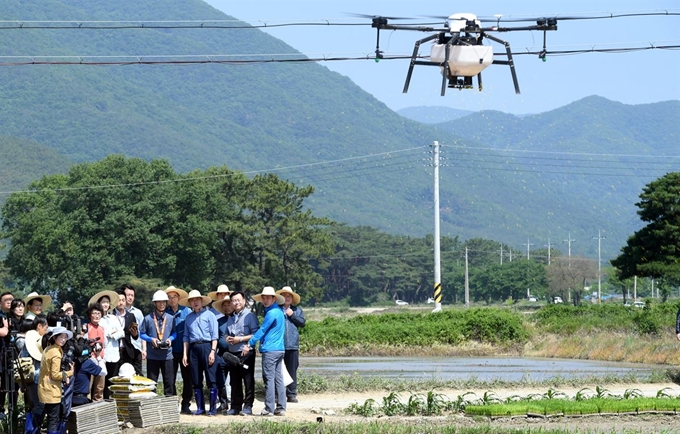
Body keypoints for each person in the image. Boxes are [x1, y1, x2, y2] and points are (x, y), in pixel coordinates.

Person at [242, 286, 286, 416]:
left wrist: (249, 344)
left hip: (270, 350)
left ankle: (269, 408)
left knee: (269, 378)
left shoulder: (271, 313)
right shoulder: (279, 311)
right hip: (279, 349)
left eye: (268, 298)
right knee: (279, 378)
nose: (265, 300)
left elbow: (262, 330)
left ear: (274, 298)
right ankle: (281, 407)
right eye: (264, 298)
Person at [181, 290, 218, 416]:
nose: (195, 302)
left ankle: (212, 408)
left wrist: (213, 351)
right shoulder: (188, 318)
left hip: (207, 346)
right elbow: (186, 336)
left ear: (201, 301)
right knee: (196, 379)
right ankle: (200, 408)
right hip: (193, 348)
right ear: (190, 303)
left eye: (197, 299)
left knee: (211, 378)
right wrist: (185, 354)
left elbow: (214, 335)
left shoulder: (210, 315)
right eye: (192, 300)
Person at [222, 290, 259, 416]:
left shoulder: (250, 316)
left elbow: (255, 334)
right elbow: (227, 332)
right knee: (234, 380)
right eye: (234, 301)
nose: (236, 302)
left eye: (238, 300)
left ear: (243, 301)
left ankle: (248, 406)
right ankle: (235, 406)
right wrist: (228, 338)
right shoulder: (231, 317)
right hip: (233, 353)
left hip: (246, 352)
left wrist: (241, 340)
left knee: (248, 380)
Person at [88, 290, 125, 400]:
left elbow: (122, 332)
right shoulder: (97, 319)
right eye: (103, 302)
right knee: (99, 383)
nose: (105, 304)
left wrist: (113, 335)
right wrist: (110, 332)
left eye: (107, 302)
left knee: (111, 381)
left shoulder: (113, 317)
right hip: (101, 355)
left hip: (113, 353)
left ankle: (109, 403)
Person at [38, 326, 75, 434]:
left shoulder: (49, 348)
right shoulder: (55, 353)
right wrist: (69, 373)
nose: (63, 340)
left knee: (48, 415)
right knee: (53, 419)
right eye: (61, 337)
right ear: (54, 338)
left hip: (45, 388)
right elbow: (54, 375)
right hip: (51, 390)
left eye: (65, 337)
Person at [140, 290, 176, 396]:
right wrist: (151, 339)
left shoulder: (170, 318)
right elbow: (141, 334)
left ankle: (168, 407)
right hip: (152, 356)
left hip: (167, 356)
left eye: (164, 302)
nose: (162, 304)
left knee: (169, 383)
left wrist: (170, 339)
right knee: (151, 383)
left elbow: (175, 333)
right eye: (159, 302)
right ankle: (151, 407)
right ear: (154, 303)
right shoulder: (147, 319)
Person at [164, 285, 193, 414]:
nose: (172, 300)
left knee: (188, 378)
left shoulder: (186, 311)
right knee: (170, 378)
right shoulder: (165, 313)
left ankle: (186, 404)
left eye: (174, 297)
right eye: (169, 297)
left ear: (179, 298)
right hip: (169, 351)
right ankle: (172, 404)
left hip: (185, 350)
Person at [276, 286, 306, 403]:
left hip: (293, 345)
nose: (286, 298)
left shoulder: (297, 310)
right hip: (278, 345)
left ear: (292, 298)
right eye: (284, 296)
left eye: (289, 296)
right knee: (278, 370)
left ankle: (291, 394)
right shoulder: (276, 310)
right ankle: (278, 394)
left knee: (292, 369)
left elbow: (302, 323)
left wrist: (292, 315)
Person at [113, 291, 139, 389]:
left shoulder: (131, 316)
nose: (121, 303)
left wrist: (134, 333)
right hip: (114, 350)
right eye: (119, 300)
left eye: (123, 300)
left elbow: (136, 336)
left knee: (128, 376)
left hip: (127, 350)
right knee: (114, 375)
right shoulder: (111, 316)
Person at [214, 295, 233, 413]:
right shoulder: (218, 321)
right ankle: (223, 403)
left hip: (234, 353)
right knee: (220, 380)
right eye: (224, 306)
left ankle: (236, 404)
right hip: (221, 353)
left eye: (228, 305)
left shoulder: (236, 319)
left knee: (235, 380)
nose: (226, 307)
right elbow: (215, 338)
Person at [72, 340, 107, 407]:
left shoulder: (72, 361)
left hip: (70, 398)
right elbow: (104, 372)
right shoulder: (87, 363)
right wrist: (98, 355)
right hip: (81, 400)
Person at [83, 303, 106, 402]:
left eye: (99, 313)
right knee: (88, 387)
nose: (96, 315)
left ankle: (98, 406)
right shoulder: (86, 327)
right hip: (90, 360)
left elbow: (105, 344)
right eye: (94, 313)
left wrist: (103, 358)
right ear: (90, 315)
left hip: (100, 360)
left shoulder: (102, 329)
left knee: (99, 388)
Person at [121, 284, 145, 375]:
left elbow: (142, 331)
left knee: (138, 374)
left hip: (136, 348)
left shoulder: (138, 312)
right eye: (128, 295)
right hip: (124, 349)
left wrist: (144, 349)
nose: (130, 297)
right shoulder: (116, 312)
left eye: (132, 295)